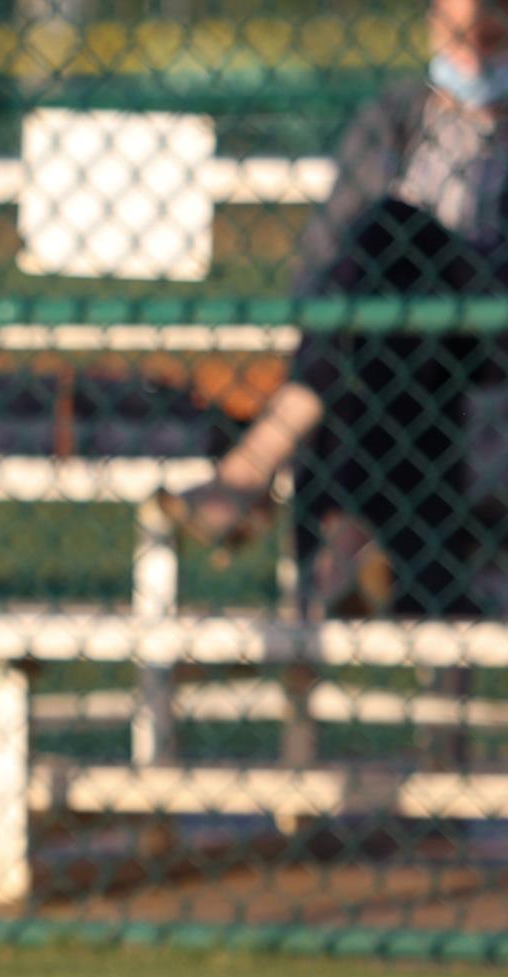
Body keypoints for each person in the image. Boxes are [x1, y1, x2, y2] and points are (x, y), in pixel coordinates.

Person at [162, 0, 507, 618]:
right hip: (393, 345)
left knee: (392, 229)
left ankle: (266, 472)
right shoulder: (397, 117)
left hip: (483, 332)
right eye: (457, 37)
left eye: (488, 36)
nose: (471, 56)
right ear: (431, 26)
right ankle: (353, 549)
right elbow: (323, 258)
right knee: (384, 273)